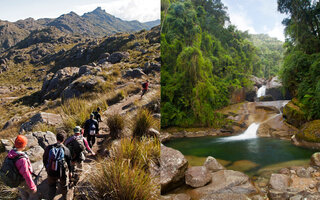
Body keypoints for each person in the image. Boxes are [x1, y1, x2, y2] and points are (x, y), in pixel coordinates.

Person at [7, 135, 38, 200]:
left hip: (16, 180)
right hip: (23, 181)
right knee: (33, 195)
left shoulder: (11, 153)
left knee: (23, 194)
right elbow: (26, 174)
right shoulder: (22, 160)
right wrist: (33, 187)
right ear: (23, 145)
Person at [43, 132, 72, 200]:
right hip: (62, 173)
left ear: (56, 139)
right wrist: (70, 171)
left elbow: (44, 159)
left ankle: (51, 198)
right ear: (64, 139)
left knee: (51, 186)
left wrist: (47, 168)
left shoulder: (49, 148)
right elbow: (69, 163)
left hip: (51, 172)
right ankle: (65, 197)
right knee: (64, 186)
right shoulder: (66, 150)